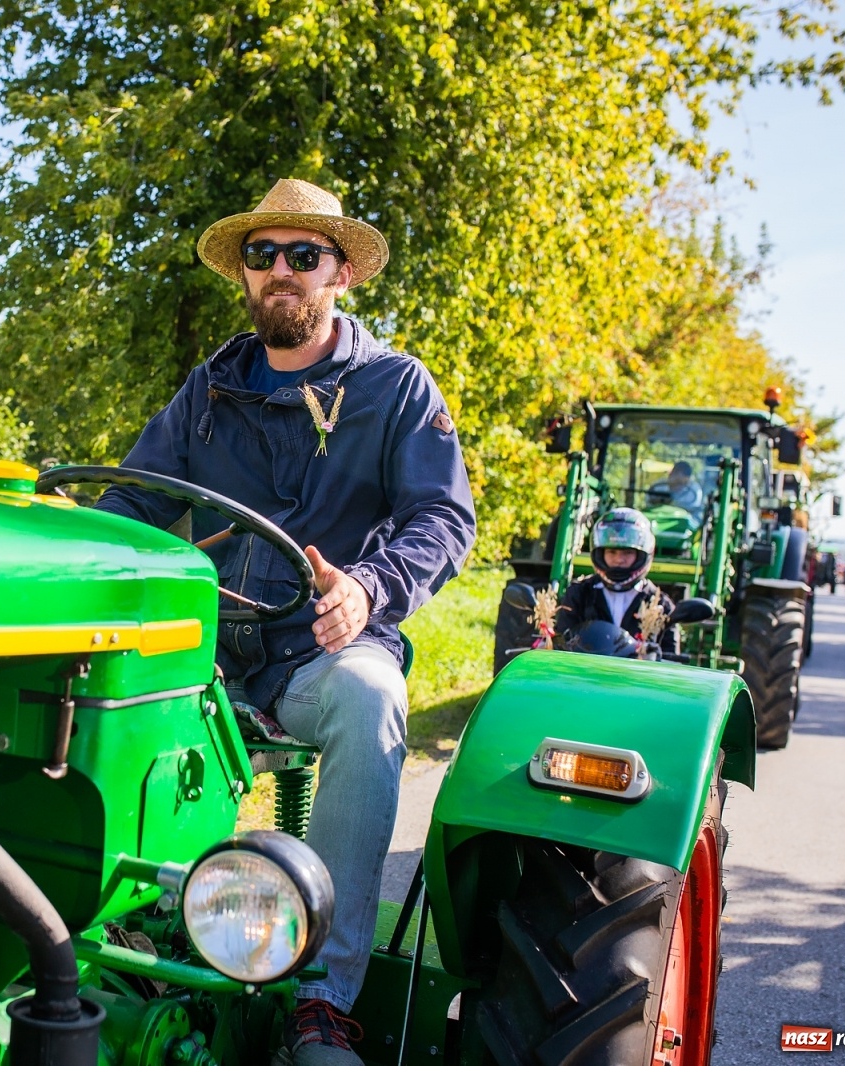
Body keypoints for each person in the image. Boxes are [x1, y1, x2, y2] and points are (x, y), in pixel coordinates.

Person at [93, 178, 476, 1065]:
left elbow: (442, 521)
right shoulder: (210, 390)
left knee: (367, 699)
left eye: (304, 256)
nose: (281, 273)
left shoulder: (396, 388)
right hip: (213, 652)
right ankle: (128, 940)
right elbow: (134, 503)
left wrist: (369, 589)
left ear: (341, 273)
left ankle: (323, 996)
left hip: (322, 650)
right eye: (263, 256)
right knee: (96, 673)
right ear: (245, 275)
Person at [556, 508, 676, 652]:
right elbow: (561, 642)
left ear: (641, 554)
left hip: (636, 674)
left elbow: (671, 658)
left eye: (628, 552)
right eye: (612, 552)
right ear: (600, 553)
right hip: (587, 672)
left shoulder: (659, 604)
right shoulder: (579, 593)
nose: (619, 559)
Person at [658, 460, 706, 525]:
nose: (674, 477)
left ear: (687, 478)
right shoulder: (660, 485)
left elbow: (691, 508)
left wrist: (672, 503)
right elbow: (650, 501)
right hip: (660, 518)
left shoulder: (694, 490)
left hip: (684, 523)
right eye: (674, 473)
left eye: (679, 475)